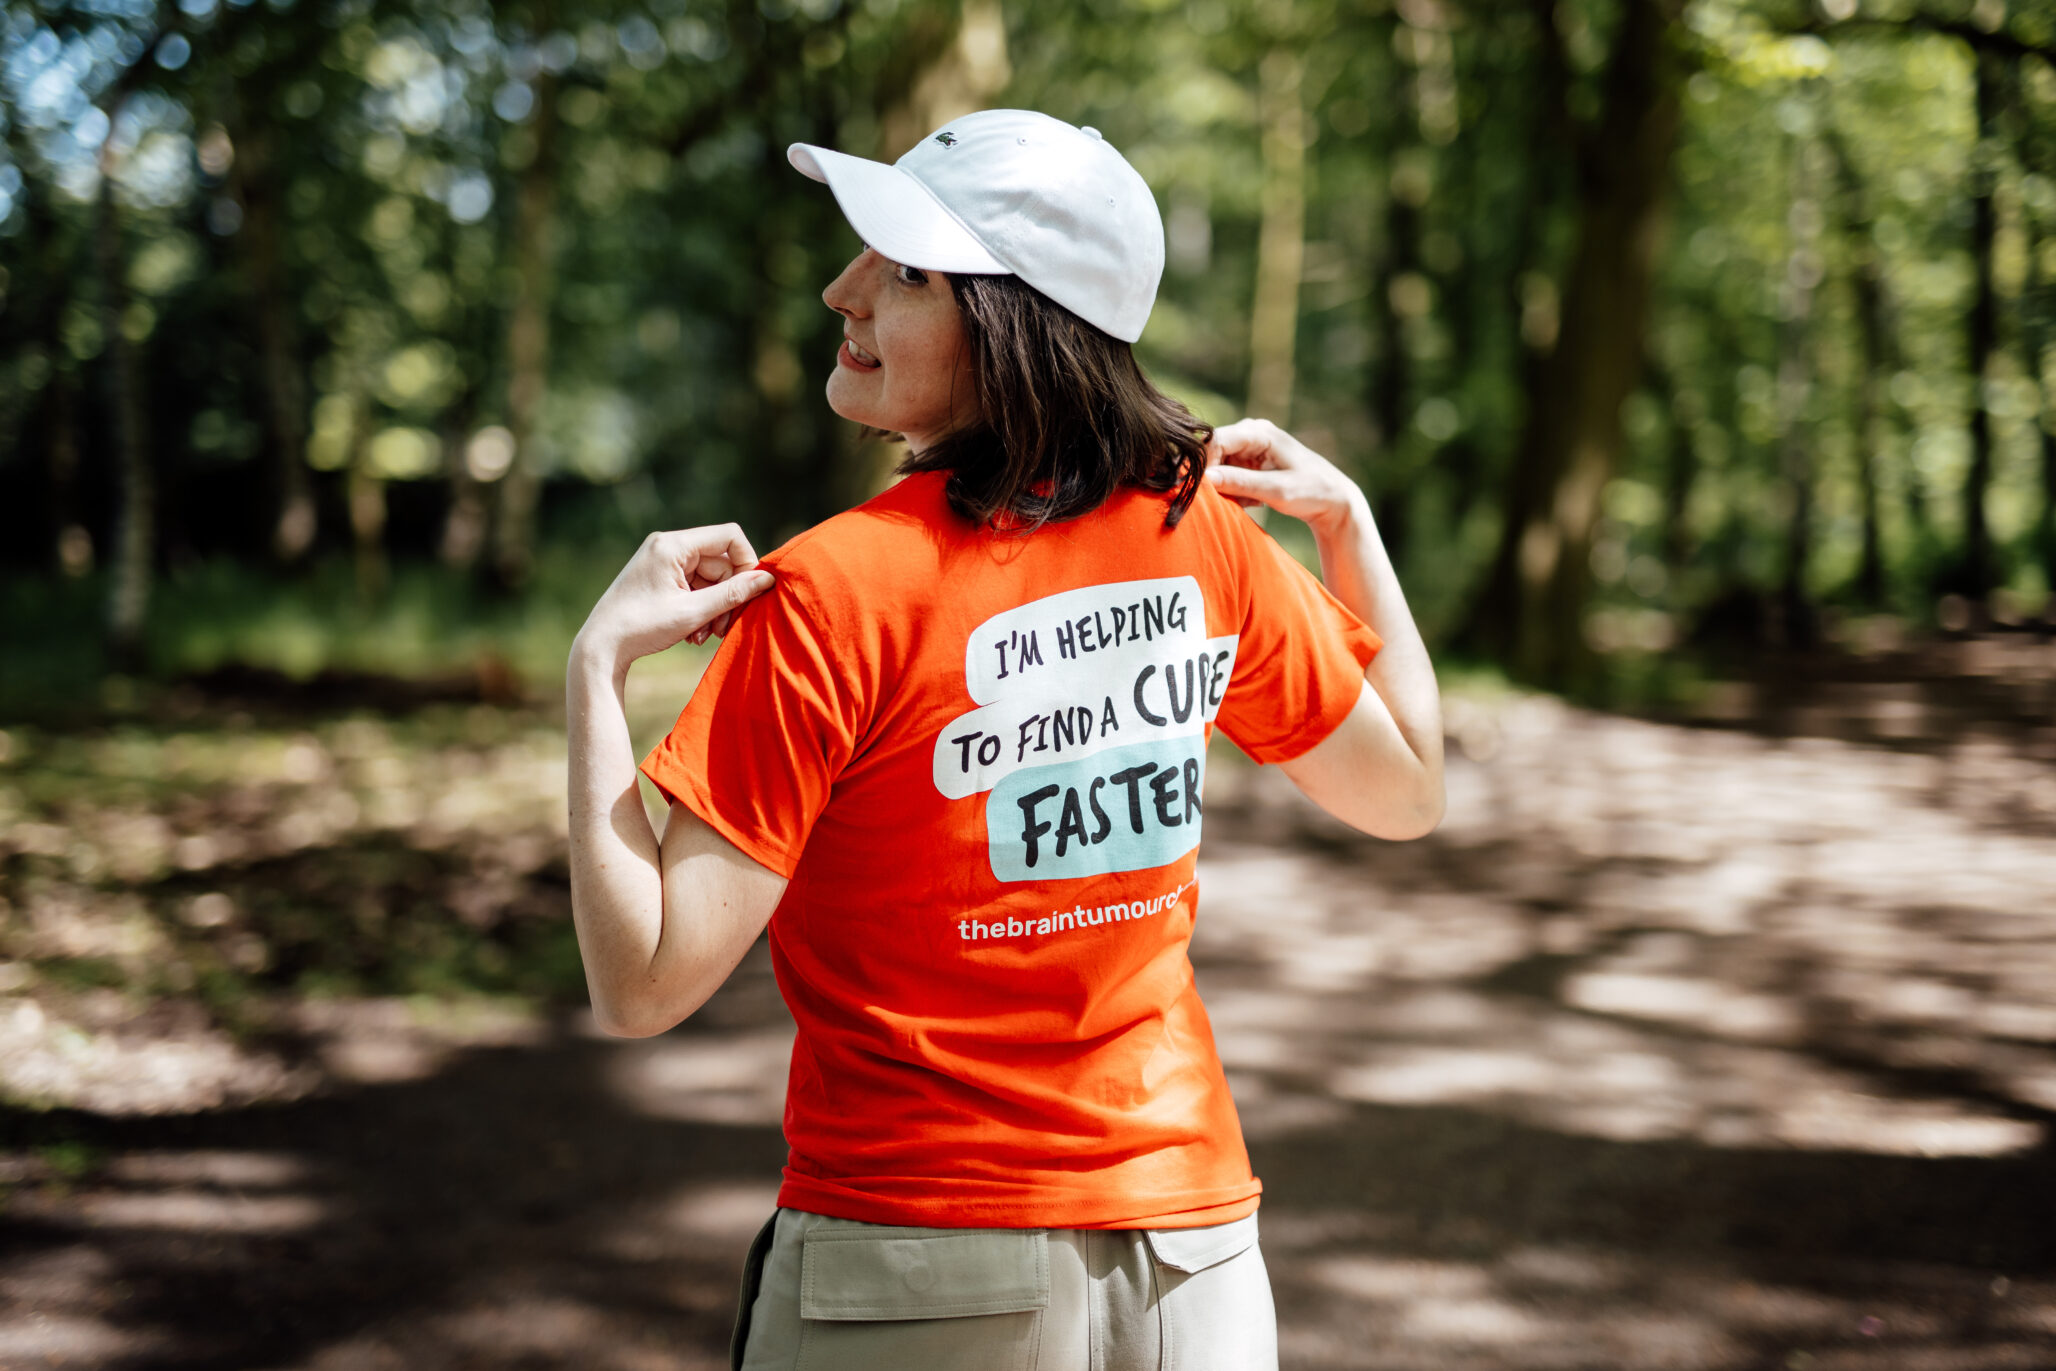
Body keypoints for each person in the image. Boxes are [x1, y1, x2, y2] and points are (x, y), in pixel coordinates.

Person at [565, 109, 1444, 1371]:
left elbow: (643, 982)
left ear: (1016, 331)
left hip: (912, 1266)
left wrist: (595, 673)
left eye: (907, 271)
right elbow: (1408, 789)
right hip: (1195, 1273)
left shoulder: (832, 591)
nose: (842, 289)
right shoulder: (1201, 542)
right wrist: (1349, 527)